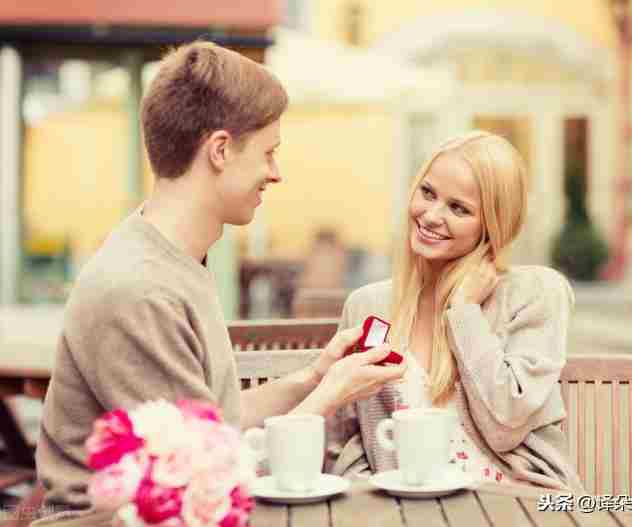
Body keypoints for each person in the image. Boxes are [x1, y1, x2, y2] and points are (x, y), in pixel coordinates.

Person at [34, 41, 406, 523]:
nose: (276, 174)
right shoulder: (140, 290)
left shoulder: (171, 261)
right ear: (221, 150)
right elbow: (207, 479)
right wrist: (331, 395)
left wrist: (314, 377)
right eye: (269, 153)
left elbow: (215, 424)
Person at [326, 131, 585, 492]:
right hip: (406, 506)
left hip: (514, 502)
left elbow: (506, 421)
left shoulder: (537, 292)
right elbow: (348, 435)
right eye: (427, 193)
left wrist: (465, 313)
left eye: (458, 208)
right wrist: (369, 498)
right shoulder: (370, 306)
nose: (431, 216)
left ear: (492, 225)